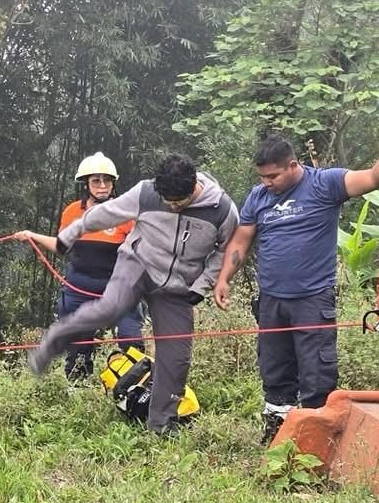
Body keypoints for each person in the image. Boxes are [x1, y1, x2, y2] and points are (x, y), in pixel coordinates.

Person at [213, 123, 379, 444]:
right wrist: (224, 279)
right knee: (274, 370)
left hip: (312, 300)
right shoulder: (258, 197)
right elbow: (241, 240)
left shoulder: (325, 184)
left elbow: (374, 178)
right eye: (262, 177)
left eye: (273, 176)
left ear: (293, 165)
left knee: (317, 373)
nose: (266, 183)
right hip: (271, 300)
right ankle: (277, 434)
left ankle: (317, 438)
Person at [27, 155, 238, 434]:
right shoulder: (146, 193)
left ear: (194, 187)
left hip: (177, 285)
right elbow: (106, 213)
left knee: (176, 356)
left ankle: (162, 424)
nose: (173, 206)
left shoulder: (222, 209)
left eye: (179, 202)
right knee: (110, 308)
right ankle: (55, 339)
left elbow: (226, 249)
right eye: (168, 201)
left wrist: (202, 285)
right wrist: (68, 236)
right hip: (137, 264)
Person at [14, 152, 144, 380]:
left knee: (131, 338)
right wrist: (32, 236)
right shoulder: (73, 212)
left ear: (113, 183)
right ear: (86, 184)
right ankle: (77, 385)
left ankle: (135, 386)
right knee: (78, 345)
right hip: (79, 287)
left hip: (117, 286)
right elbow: (61, 246)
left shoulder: (125, 212)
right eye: (96, 181)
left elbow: (140, 251)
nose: (102, 186)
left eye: (107, 180)